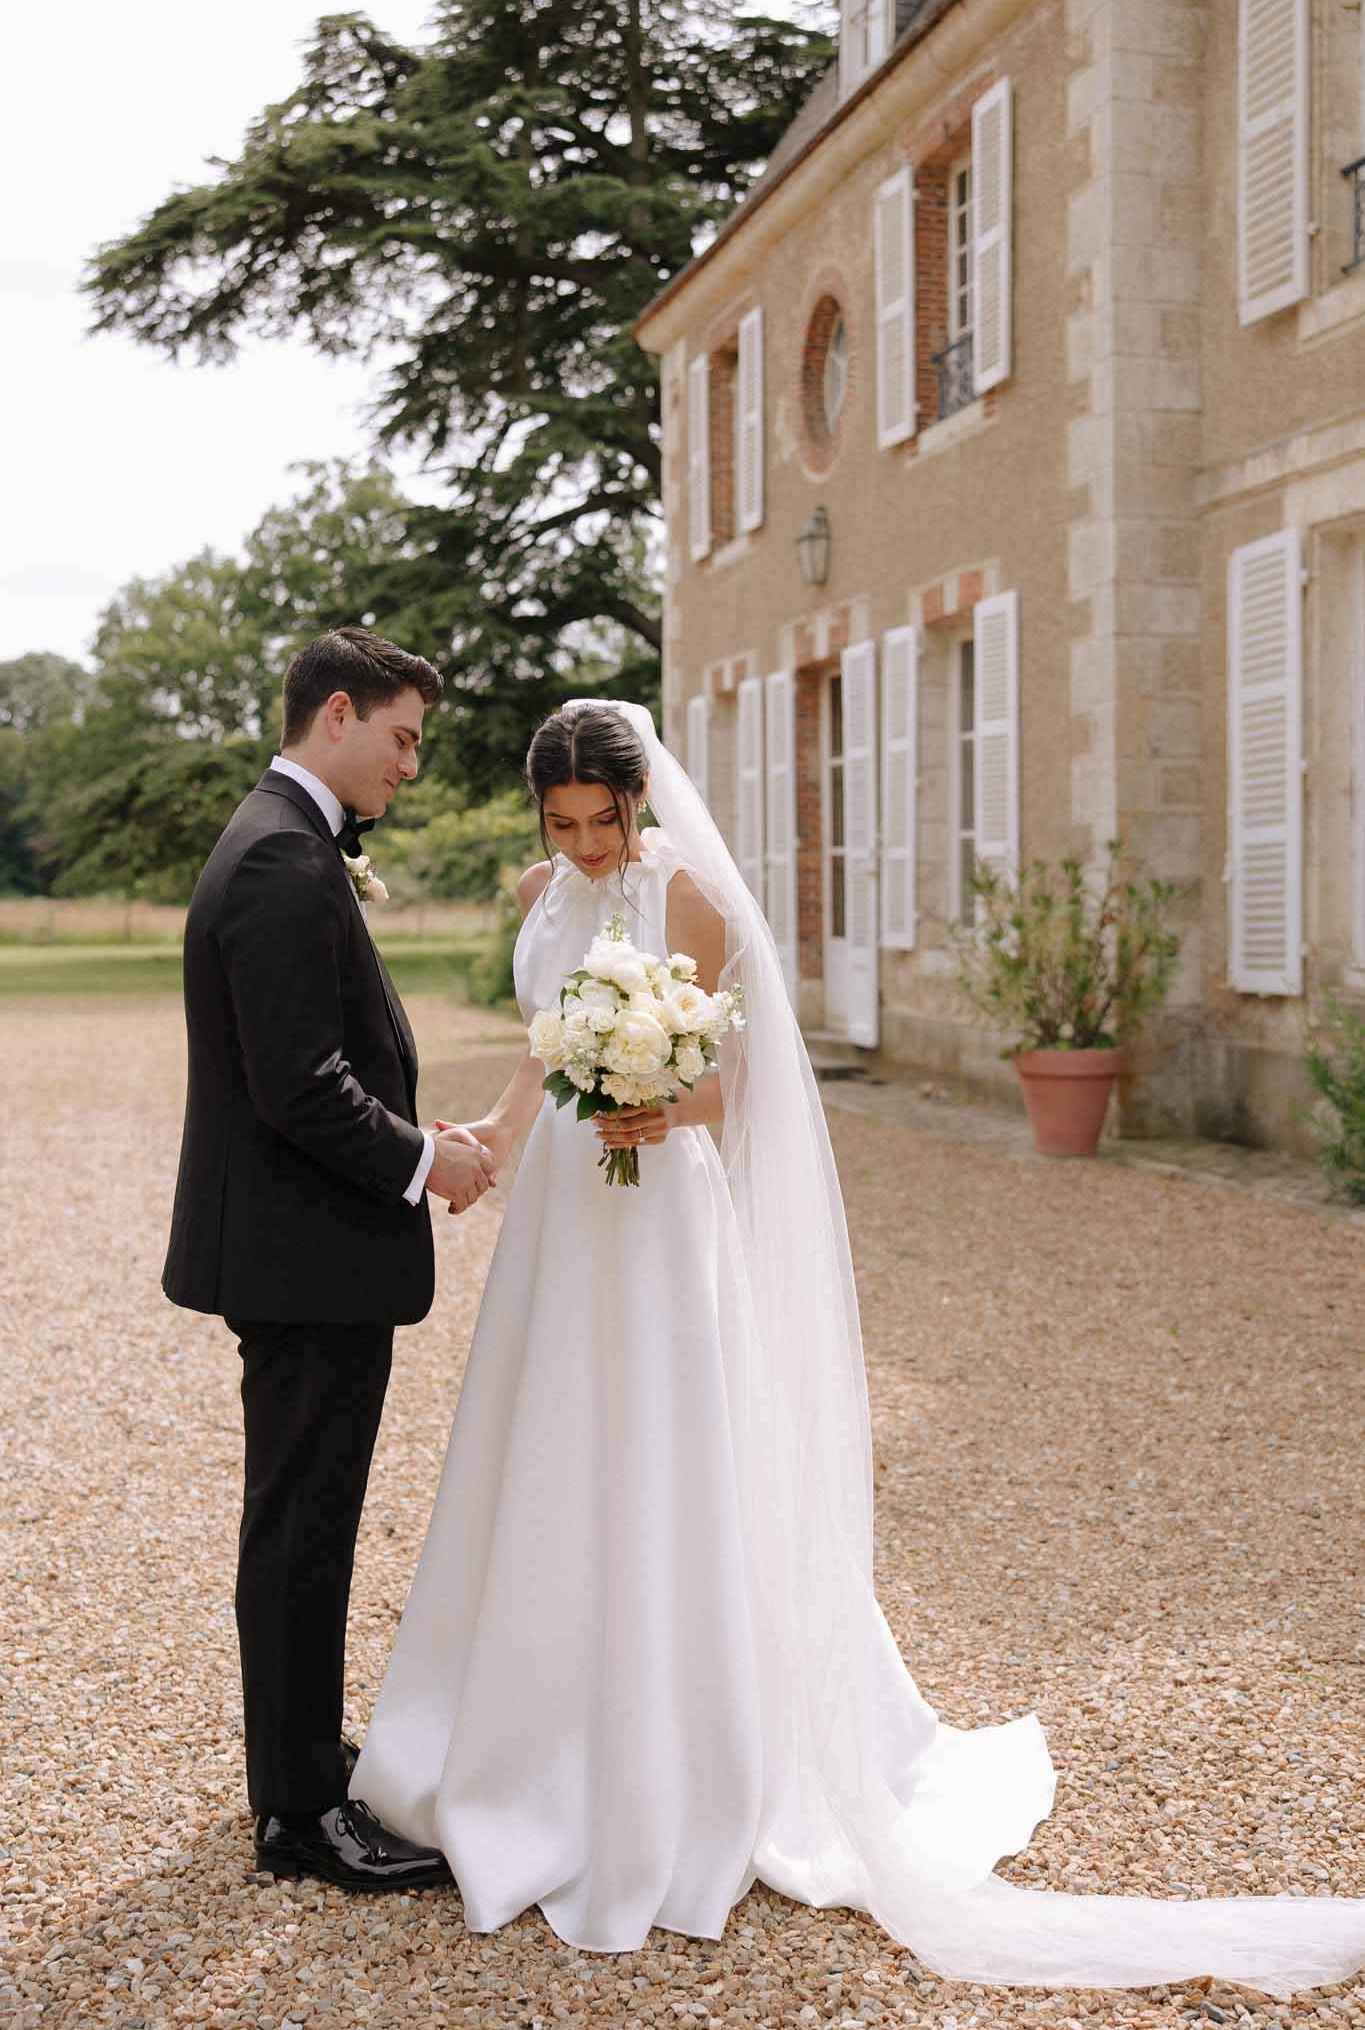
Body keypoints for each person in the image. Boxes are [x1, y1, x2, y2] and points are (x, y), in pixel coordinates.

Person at [350, 697, 1365, 1991]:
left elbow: (750, 1082)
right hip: (564, 1214)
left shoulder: (692, 905)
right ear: (539, 817)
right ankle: (526, 1728)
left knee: (672, 1452)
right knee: (544, 1450)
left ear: (641, 806)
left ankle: (693, 1752)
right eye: (566, 824)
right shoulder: (545, 892)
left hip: (661, 1208)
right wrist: (493, 1131)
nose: (589, 846)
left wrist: (663, 1106)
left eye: (607, 822)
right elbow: (547, 1045)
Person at [163, 627, 497, 1892]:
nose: (411, 763)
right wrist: (424, 1163)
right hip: (305, 1259)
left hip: (302, 1251)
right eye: (404, 737)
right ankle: (301, 1810)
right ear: (340, 714)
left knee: (304, 1524)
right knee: (304, 1532)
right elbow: (301, 1085)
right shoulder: (286, 861)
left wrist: (423, 1136)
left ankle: (299, 1759)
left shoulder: (283, 840)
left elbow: (322, 1062)